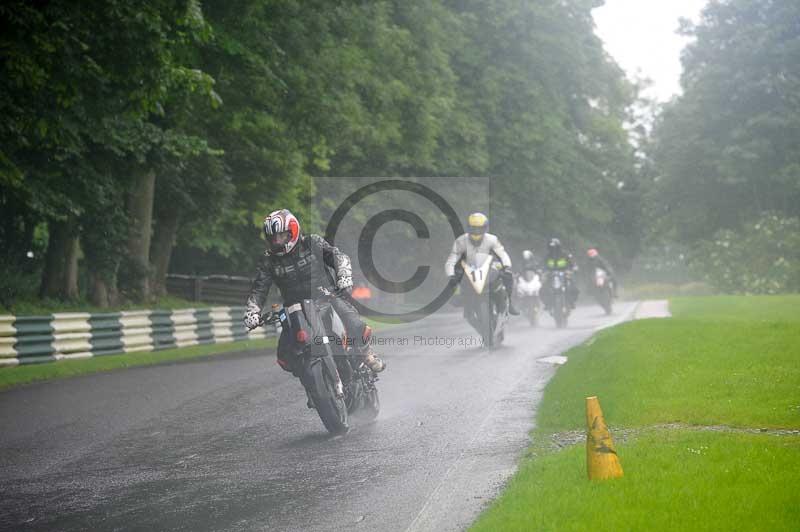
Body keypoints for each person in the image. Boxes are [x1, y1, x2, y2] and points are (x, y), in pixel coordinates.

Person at [243, 209, 385, 375]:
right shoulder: (269, 261)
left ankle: (365, 353)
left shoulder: (312, 243)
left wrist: (344, 275)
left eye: (281, 236)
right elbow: (259, 288)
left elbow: (337, 256)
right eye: (273, 238)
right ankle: (308, 376)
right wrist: (252, 311)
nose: (277, 241)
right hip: (294, 309)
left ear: (293, 232)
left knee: (353, 321)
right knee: (285, 356)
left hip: (326, 296)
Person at [444, 212, 519, 315]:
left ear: (485, 228)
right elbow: (451, 260)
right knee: (455, 278)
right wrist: (451, 275)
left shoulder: (492, 239)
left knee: (508, 275)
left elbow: (502, 254)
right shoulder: (461, 241)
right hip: (469, 267)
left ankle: (510, 303)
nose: (476, 231)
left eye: (479, 228)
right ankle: (459, 298)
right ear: (468, 228)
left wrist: (507, 267)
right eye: (473, 228)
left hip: (489, 266)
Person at [542, 238, 579, 309]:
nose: (553, 249)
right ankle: (547, 303)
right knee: (543, 289)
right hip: (551, 275)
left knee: (572, 287)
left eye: (555, 247)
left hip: (564, 274)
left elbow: (572, 263)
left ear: (559, 247)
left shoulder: (565, 254)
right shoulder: (547, 256)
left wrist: (574, 267)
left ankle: (571, 302)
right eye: (551, 247)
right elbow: (542, 264)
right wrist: (541, 271)